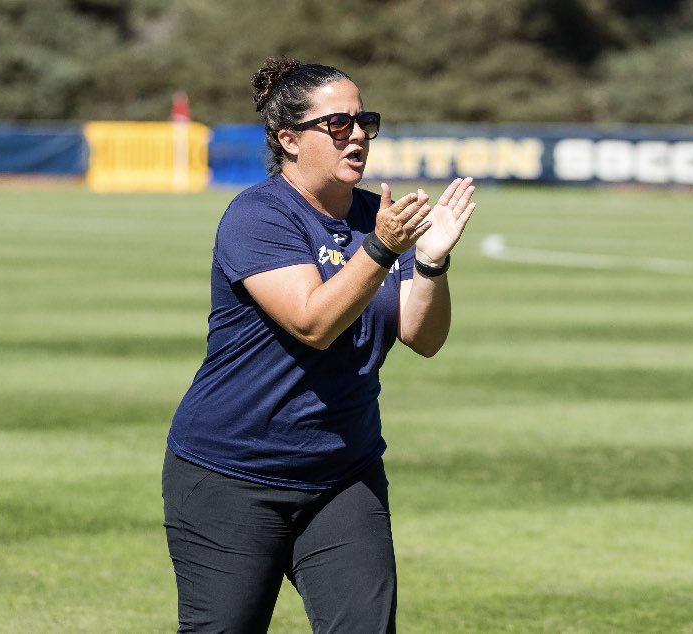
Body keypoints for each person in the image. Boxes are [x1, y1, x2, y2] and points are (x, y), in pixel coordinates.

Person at [162, 56, 476, 633]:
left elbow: (424, 338)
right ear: (289, 139)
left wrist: (431, 262)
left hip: (343, 473)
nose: (357, 136)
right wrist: (381, 249)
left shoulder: (380, 218)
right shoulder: (257, 216)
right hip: (233, 473)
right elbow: (313, 323)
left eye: (364, 122)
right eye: (337, 124)